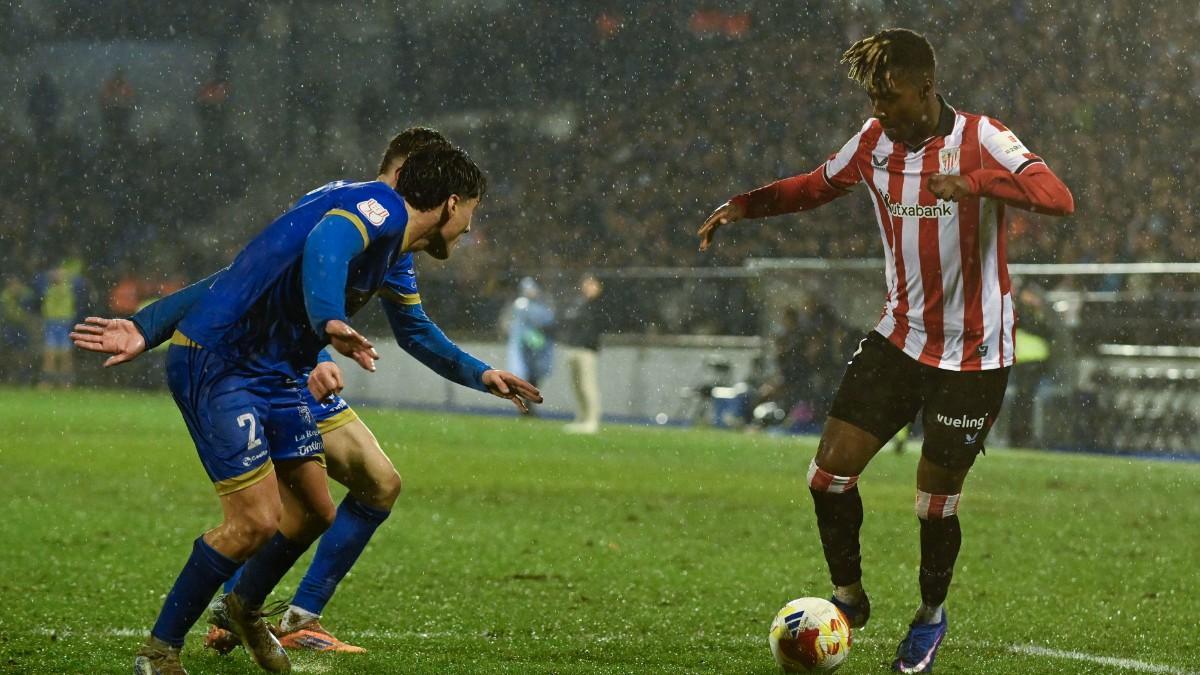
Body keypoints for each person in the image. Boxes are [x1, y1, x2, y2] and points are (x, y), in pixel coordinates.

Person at [73, 128, 540, 659]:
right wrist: (328, 325)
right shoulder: (374, 207)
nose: (472, 226)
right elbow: (314, 251)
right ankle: (162, 650)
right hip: (227, 361)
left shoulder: (394, 245)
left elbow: (408, 327)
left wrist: (481, 374)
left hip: (278, 368)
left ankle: (246, 608)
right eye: (471, 211)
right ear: (445, 198)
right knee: (255, 520)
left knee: (324, 507)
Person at [698, 28, 1073, 673]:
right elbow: (812, 186)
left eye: (890, 98)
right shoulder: (873, 142)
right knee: (827, 474)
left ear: (926, 88)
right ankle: (848, 596)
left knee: (935, 500)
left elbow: (1058, 199)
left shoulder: (983, 136)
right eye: (873, 99)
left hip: (976, 354)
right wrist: (742, 207)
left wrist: (977, 183)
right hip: (900, 339)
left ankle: (930, 614)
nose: (879, 111)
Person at [559, 273, 607, 433]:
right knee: (577, 386)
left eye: (592, 284)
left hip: (587, 350)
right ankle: (581, 418)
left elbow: (598, 326)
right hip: (574, 348)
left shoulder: (600, 305)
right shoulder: (579, 303)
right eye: (586, 284)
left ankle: (592, 420)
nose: (588, 287)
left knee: (588, 386)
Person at [505, 276, 555, 390]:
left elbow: (549, 321)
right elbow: (507, 323)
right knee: (522, 372)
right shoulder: (518, 304)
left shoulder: (543, 304)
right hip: (522, 346)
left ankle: (530, 395)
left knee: (535, 374)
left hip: (539, 346)